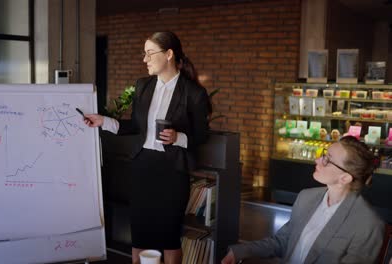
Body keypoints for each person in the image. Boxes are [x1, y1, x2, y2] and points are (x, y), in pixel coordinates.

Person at [84, 31, 210, 264]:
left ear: (169, 54)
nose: (145, 59)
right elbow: (135, 126)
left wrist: (178, 137)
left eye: (150, 53)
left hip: (172, 171)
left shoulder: (194, 93)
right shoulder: (142, 86)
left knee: (169, 237)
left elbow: (202, 135)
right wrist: (103, 121)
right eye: (145, 54)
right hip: (143, 167)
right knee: (140, 235)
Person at [222, 136, 385, 264]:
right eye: (323, 154)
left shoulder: (368, 225)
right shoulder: (307, 197)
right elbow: (283, 241)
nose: (317, 160)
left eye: (327, 159)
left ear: (344, 178)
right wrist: (241, 251)